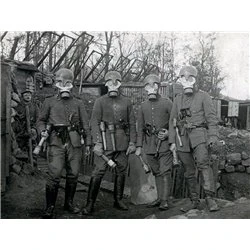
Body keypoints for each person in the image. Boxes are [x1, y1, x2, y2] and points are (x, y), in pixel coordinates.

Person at [37, 68, 91, 218]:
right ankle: (50, 207)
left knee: (73, 174)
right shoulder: (49, 102)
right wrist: (42, 130)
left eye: (67, 82)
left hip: (74, 142)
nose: (64, 86)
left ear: (72, 84)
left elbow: (86, 125)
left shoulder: (79, 103)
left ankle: (69, 203)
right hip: (56, 141)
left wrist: (88, 144)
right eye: (60, 82)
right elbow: (40, 120)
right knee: (54, 174)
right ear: (56, 84)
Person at [81, 70, 136, 215]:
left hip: (122, 142)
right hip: (105, 143)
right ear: (106, 84)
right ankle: (90, 203)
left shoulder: (127, 102)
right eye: (110, 83)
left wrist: (132, 143)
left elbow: (132, 123)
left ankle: (118, 200)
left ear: (120, 84)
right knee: (98, 172)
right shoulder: (100, 101)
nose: (113, 86)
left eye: (116, 82)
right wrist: (97, 142)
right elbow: (94, 122)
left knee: (121, 170)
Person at [169, 65, 220, 212]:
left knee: (204, 164)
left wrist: (213, 136)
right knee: (188, 170)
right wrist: (172, 141)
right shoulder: (177, 99)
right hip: (182, 138)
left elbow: (211, 118)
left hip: (199, 135)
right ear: (180, 81)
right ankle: (194, 200)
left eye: (190, 78)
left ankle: (210, 198)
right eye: (183, 79)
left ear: (195, 80)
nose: (187, 82)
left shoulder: (204, 96)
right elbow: (172, 121)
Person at [135, 74, 173, 210]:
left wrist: (168, 134)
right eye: (148, 85)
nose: (151, 88)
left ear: (158, 86)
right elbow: (139, 128)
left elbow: (175, 122)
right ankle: (159, 198)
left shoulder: (167, 103)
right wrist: (139, 146)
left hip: (164, 143)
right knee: (156, 171)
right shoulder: (142, 106)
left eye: (154, 85)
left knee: (165, 171)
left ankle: (164, 200)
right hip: (149, 144)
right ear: (144, 88)